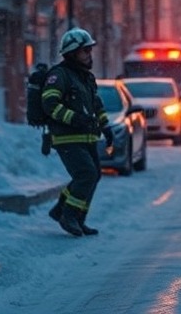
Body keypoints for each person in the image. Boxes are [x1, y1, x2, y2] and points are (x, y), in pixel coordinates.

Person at [41, 27, 113, 237]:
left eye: (90, 50)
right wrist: (74, 118)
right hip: (67, 137)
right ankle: (69, 215)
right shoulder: (59, 75)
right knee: (86, 174)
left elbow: (96, 104)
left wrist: (105, 126)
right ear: (72, 53)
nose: (90, 55)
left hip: (87, 136)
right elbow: (50, 104)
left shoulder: (85, 77)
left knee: (93, 175)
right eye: (85, 51)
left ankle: (71, 215)